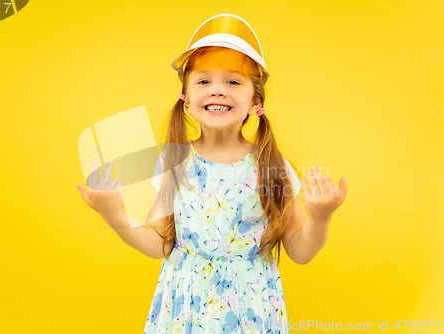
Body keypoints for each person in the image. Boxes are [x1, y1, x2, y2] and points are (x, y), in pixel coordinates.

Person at [77, 13, 347, 334]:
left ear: (254, 102)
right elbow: (160, 245)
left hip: (250, 313)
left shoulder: (272, 166)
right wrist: (115, 214)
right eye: (204, 81)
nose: (218, 90)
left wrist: (320, 218)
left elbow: (300, 252)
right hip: (184, 311)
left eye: (233, 81)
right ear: (187, 101)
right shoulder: (171, 162)